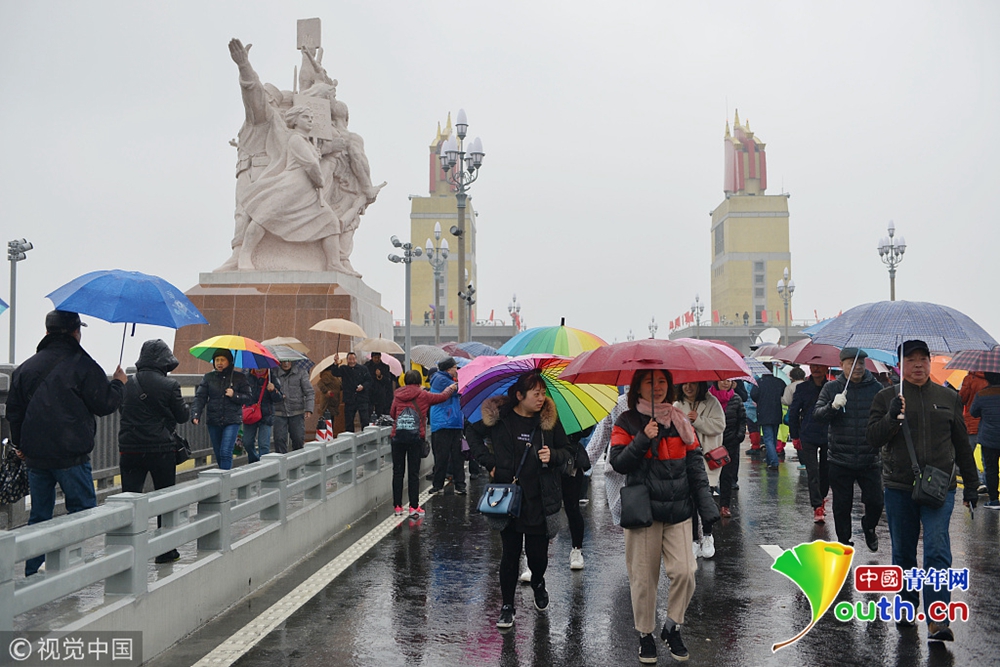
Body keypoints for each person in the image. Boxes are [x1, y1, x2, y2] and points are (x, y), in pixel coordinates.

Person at [868, 340, 979, 642]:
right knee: (903, 553)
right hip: (899, 487)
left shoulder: (948, 397)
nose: (918, 365)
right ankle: (906, 607)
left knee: (937, 548)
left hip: (940, 487)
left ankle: (937, 619)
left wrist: (971, 485)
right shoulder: (886, 396)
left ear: (931, 362)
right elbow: (874, 438)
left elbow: (962, 444)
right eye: (911, 359)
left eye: (923, 359)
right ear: (900, 365)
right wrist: (892, 416)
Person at [5, 310, 127, 576]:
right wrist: (118, 384)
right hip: (71, 456)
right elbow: (105, 404)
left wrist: (20, 445)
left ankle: (32, 572)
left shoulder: (26, 367)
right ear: (75, 332)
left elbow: (14, 412)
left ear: (47, 332)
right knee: (82, 512)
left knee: (39, 516)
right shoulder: (84, 364)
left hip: (36, 457)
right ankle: (70, 568)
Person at [610, 369, 718, 663]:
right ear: (638, 388)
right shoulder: (627, 421)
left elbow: (695, 464)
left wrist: (706, 505)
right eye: (650, 382)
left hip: (679, 510)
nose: (657, 387)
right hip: (644, 512)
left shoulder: (681, 420)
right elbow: (619, 463)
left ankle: (671, 626)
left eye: (662, 382)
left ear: (669, 386)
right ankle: (646, 634)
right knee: (643, 580)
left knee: (686, 572)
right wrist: (643, 438)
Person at [466, 371, 570, 632]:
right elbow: (471, 432)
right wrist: (488, 462)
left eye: (543, 393)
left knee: (537, 557)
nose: (541, 398)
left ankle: (538, 581)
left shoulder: (549, 422)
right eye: (536, 393)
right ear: (520, 395)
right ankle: (507, 605)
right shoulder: (501, 419)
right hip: (508, 498)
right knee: (509, 555)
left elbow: (569, 451)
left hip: (539, 499)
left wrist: (552, 455)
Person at [239, 104, 348, 272]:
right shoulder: (295, 139)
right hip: (292, 186)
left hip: (308, 192)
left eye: (311, 118)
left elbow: (315, 157)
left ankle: (334, 263)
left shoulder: (308, 142)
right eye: (305, 117)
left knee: (330, 221)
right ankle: (244, 257)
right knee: (263, 216)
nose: (310, 121)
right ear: (295, 120)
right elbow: (310, 164)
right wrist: (319, 180)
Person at [117, 339, 190, 563]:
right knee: (164, 499)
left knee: (129, 500)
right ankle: (165, 550)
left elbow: (121, 410)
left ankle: (127, 550)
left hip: (129, 450)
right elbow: (182, 416)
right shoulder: (170, 386)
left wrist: (117, 382)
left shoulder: (126, 383)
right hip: (161, 450)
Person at [812, 349, 883, 550]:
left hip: (870, 458)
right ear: (842, 364)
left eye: (861, 362)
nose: (857, 367)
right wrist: (832, 407)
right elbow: (817, 415)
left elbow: (884, 417)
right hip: (839, 458)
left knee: (876, 502)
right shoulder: (832, 387)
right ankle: (844, 542)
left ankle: (869, 527)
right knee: (842, 505)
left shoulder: (876, 388)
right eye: (851, 363)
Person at [390, 370, 456, 516]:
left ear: (405, 380)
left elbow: (393, 414)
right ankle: (414, 507)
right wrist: (450, 388)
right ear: (419, 381)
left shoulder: (398, 395)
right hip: (415, 438)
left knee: (397, 472)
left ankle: (398, 507)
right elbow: (441, 397)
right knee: (413, 473)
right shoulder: (423, 395)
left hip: (398, 437)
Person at [674, 381, 725, 559]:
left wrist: (699, 420)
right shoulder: (677, 405)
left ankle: (708, 536)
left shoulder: (712, 402)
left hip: (708, 459)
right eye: (685, 385)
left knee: (705, 499)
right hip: (686, 459)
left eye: (692, 384)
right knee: (690, 502)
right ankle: (694, 539)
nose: (688, 388)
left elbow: (720, 426)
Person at [191, 349, 253, 470]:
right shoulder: (208, 377)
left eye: (222, 360)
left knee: (225, 452)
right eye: (217, 360)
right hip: (213, 420)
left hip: (232, 420)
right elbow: (200, 397)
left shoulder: (239, 377)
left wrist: (235, 395)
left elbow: (249, 397)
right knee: (218, 453)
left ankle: (225, 483)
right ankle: (222, 477)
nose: (219, 363)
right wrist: (195, 414)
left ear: (229, 361)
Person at [788, 364, 832, 523]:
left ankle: (822, 497)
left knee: (826, 471)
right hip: (808, 434)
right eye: (813, 366)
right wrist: (794, 436)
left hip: (828, 434)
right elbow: (793, 412)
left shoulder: (832, 387)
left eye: (819, 366)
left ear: (826, 368)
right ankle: (817, 506)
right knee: (812, 471)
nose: (816, 369)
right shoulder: (802, 388)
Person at [429, 357, 465, 495]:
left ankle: (460, 485)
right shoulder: (439, 379)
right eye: (455, 368)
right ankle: (438, 485)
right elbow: (459, 389)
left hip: (454, 423)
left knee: (458, 456)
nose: (457, 370)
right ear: (448, 369)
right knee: (442, 457)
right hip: (443, 423)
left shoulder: (450, 379)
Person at [711, 379, 746, 518]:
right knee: (711, 474)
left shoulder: (736, 399)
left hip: (731, 442)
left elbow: (742, 420)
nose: (725, 383)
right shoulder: (710, 399)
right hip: (712, 442)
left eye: (729, 381)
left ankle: (725, 505)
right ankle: (709, 506)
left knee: (727, 475)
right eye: (722, 381)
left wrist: (739, 436)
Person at [970, 372, 1000, 508]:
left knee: (991, 468)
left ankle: (994, 499)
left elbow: (973, 412)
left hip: (989, 438)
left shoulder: (982, 394)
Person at [273, 359, 315, 453]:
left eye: (288, 361)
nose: (286, 363)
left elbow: (309, 392)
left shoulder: (301, 372)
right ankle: (282, 464)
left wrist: (309, 409)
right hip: (278, 411)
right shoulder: (273, 373)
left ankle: (298, 463)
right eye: (283, 361)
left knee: (298, 439)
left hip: (297, 411)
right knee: (279, 439)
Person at [243, 368, 283, 463]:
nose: (259, 369)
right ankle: (254, 461)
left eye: (262, 367)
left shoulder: (272, 378)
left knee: (264, 444)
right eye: (257, 367)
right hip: (250, 414)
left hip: (266, 415)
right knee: (247, 442)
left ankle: (263, 466)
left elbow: (279, 398)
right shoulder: (246, 377)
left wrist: (273, 390)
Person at [750, 364, 787, 469]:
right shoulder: (779, 382)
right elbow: (784, 393)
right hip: (776, 412)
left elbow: (753, 395)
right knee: (773, 437)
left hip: (763, 412)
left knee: (768, 438)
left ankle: (774, 462)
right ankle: (770, 459)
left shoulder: (758, 383)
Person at [959, 371, 988, 493]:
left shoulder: (970, 379)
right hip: (989, 421)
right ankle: (988, 481)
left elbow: (961, 398)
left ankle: (978, 480)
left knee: (967, 453)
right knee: (987, 455)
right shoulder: (992, 378)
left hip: (972, 420)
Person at [329, 352, 372, 432]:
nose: (352, 361)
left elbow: (369, 380)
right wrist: (335, 362)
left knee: (365, 420)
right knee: (349, 421)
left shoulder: (363, 369)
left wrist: (363, 386)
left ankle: (366, 436)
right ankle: (350, 437)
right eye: (350, 359)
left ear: (356, 359)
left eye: (353, 359)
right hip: (349, 399)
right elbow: (335, 372)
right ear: (347, 360)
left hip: (362, 398)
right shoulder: (344, 369)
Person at [364, 352, 395, 418]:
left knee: (380, 412)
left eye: (378, 357)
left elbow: (387, 380)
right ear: (372, 357)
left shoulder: (385, 367)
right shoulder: (366, 366)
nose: (377, 359)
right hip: (369, 392)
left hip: (380, 393)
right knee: (368, 412)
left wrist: (380, 376)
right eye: (375, 358)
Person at [314, 363, 342, 434]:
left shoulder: (334, 376)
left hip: (333, 401)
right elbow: (320, 383)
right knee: (328, 419)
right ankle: (327, 435)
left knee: (330, 420)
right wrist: (326, 391)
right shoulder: (327, 374)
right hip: (329, 402)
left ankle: (329, 434)